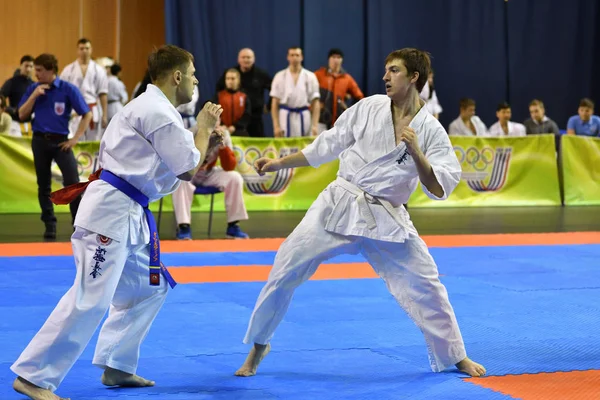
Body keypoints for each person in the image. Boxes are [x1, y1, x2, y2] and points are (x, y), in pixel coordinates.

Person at [234, 48, 486, 379]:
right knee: (285, 266)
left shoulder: (431, 130)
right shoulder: (368, 107)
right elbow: (327, 144)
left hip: (386, 214)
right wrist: (280, 162)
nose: (385, 76)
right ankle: (258, 346)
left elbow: (439, 188)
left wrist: (417, 153)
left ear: (414, 77)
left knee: (427, 282)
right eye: (385, 70)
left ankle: (455, 355)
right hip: (340, 202)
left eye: (393, 70)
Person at [11, 44, 224, 400]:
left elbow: (175, 167)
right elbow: (187, 169)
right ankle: (33, 376)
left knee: (150, 288)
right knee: (90, 298)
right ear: (176, 77)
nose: (195, 81)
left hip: (127, 213)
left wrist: (204, 141)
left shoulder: (153, 108)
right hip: (111, 213)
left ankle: (117, 365)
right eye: (192, 75)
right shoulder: (156, 110)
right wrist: (203, 128)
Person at [17, 53, 92, 240]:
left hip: (61, 142)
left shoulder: (67, 89)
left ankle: (79, 225)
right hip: (40, 140)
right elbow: (21, 114)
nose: (36, 74)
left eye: (40, 70)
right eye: (35, 70)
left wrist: (75, 139)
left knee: (73, 183)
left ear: (51, 71)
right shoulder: (34, 88)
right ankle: (49, 224)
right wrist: (34, 96)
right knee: (43, 185)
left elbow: (87, 114)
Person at [173, 124, 250, 240]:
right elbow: (181, 160)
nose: (216, 123)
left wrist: (223, 147)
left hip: (209, 173)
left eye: (218, 119)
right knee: (180, 180)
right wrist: (198, 164)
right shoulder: (191, 132)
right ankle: (184, 226)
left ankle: (233, 226)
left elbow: (229, 166)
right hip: (190, 172)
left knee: (235, 178)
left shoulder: (224, 134)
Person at [60, 38, 109, 141]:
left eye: (87, 48)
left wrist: (105, 115)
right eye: (81, 48)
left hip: (93, 108)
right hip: (74, 109)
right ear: (77, 50)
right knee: (75, 138)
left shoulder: (99, 70)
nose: (84, 51)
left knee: (93, 140)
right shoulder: (68, 69)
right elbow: (61, 92)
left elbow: (103, 93)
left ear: (91, 49)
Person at [270, 47, 320, 137]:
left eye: (297, 55)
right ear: (288, 57)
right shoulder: (279, 76)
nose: (294, 58)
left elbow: (316, 103)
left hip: (304, 116)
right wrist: (276, 126)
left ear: (302, 57)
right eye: (292, 55)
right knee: (284, 147)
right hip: (285, 116)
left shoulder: (310, 76)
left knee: (305, 147)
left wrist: (315, 125)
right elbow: (274, 104)